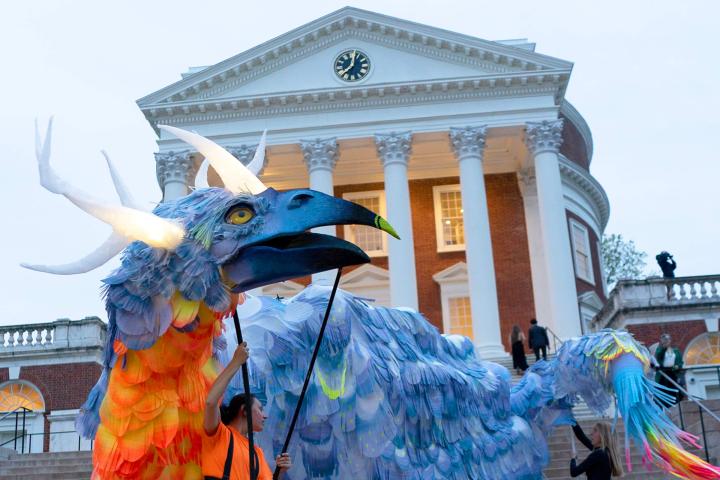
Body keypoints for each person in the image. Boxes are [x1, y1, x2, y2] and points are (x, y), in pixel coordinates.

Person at [202, 342, 292, 480]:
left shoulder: (257, 453)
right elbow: (210, 402)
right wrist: (236, 362)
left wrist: (280, 472)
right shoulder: (219, 434)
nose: (265, 415)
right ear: (244, 410)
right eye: (260, 409)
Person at [654, 333, 684, 407]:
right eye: (664, 339)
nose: (666, 341)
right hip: (663, 374)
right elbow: (659, 357)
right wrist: (664, 348)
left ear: (670, 340)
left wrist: (677, 366)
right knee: (664, 391)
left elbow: (680, 362)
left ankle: (675, 405)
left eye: (668, 339)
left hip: (673, 373)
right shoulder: (659, 350)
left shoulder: (675, 350)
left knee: (676, 391)